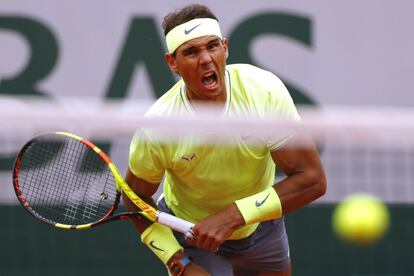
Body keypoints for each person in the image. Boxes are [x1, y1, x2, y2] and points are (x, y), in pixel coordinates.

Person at [123, 4, 326, 276]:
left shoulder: (263, 92)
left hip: (261, 225)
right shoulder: (158, 127)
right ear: (173, 63)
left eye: (212, 46)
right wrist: (177, 261)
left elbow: (312, 179)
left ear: (225, 48)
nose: (206, 59)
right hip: (192, 235)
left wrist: (232, 216)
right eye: (191, 52)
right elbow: (135, 198)